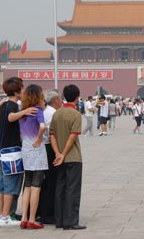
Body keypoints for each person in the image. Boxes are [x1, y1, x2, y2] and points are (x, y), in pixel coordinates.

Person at [0, 77, 38, 227]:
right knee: (11, 184)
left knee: (1, 184)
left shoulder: (3, 104)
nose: (23, 91)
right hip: (12, 151)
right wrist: (25, 111)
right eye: (22, 88)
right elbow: (10, 117)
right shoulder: (12, 105)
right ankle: (6, 216)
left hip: (3, 150)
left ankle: (0, 214)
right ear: (16, 90)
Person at [50, 84, 86, 230]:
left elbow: (52, 135)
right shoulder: (76, 114)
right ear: (77, 97)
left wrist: (58, 153)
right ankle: (70, 221)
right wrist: (64, 153)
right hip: (72, 157)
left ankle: (59, 220)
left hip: (59, 158)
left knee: (60, 188)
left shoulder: (56, 113)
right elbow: (72, 137)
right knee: (72, 190)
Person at [19, 84, 48, 229]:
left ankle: (23, 218)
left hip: (25, 147)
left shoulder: (23, 112)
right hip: (36, 148)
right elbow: (42, 126)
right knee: (36, 185)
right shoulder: (38, 110)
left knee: (27, 184)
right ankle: (31, 219)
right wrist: (39, 138)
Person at [38, 89, 62, 225]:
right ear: (55, 100)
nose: (61, 101)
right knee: (51, 183)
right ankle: (48, 214)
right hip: (49, 148)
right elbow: (54, 134)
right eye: (59, 99)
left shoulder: (45, 112)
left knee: (45, 181)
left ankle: (41, 211)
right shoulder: (53, 113)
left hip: (43, 148)